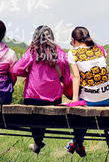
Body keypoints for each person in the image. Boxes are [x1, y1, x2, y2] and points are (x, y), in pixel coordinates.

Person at [11, 25, 71, 154]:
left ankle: (38, 142)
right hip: (54, 99)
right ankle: (38, 142)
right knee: (42, 117)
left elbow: (15, 70)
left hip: (33, 98)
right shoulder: (61, 53)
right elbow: (66, 80)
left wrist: (28, 73)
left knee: (34, 117)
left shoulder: (32, 52)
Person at [65, 26, 109, 157]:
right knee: (86, 103)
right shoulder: (101, 49)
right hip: (108, 97)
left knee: (79, 114)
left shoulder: (73, 53)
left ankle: (77, 142)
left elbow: (76, 77)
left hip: (91, 100)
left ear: (74, 40)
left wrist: (75, 100)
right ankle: (76, 143)